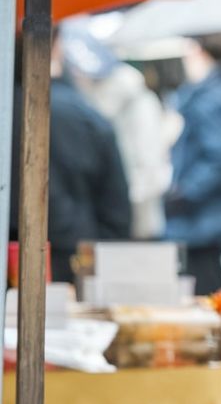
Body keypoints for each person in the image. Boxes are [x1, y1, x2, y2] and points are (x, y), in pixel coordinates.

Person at [9, 29, 132, 283]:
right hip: (72, 263)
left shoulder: (82, 115)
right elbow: (117, 212)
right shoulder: (86, 116)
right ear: (55, 47)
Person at [60, 21, 171, 241]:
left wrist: (114, 203)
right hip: (112, 224)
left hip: (135, 228)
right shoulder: (90, 108)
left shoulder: (137, 102)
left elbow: (152, 171)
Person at [163, 36, 221, 295]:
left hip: (202, 216)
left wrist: (185, 192)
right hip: (199, 215)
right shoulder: (204, 93)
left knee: (207, 289)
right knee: (205, 286)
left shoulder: (209, 96)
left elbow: (218, 157)